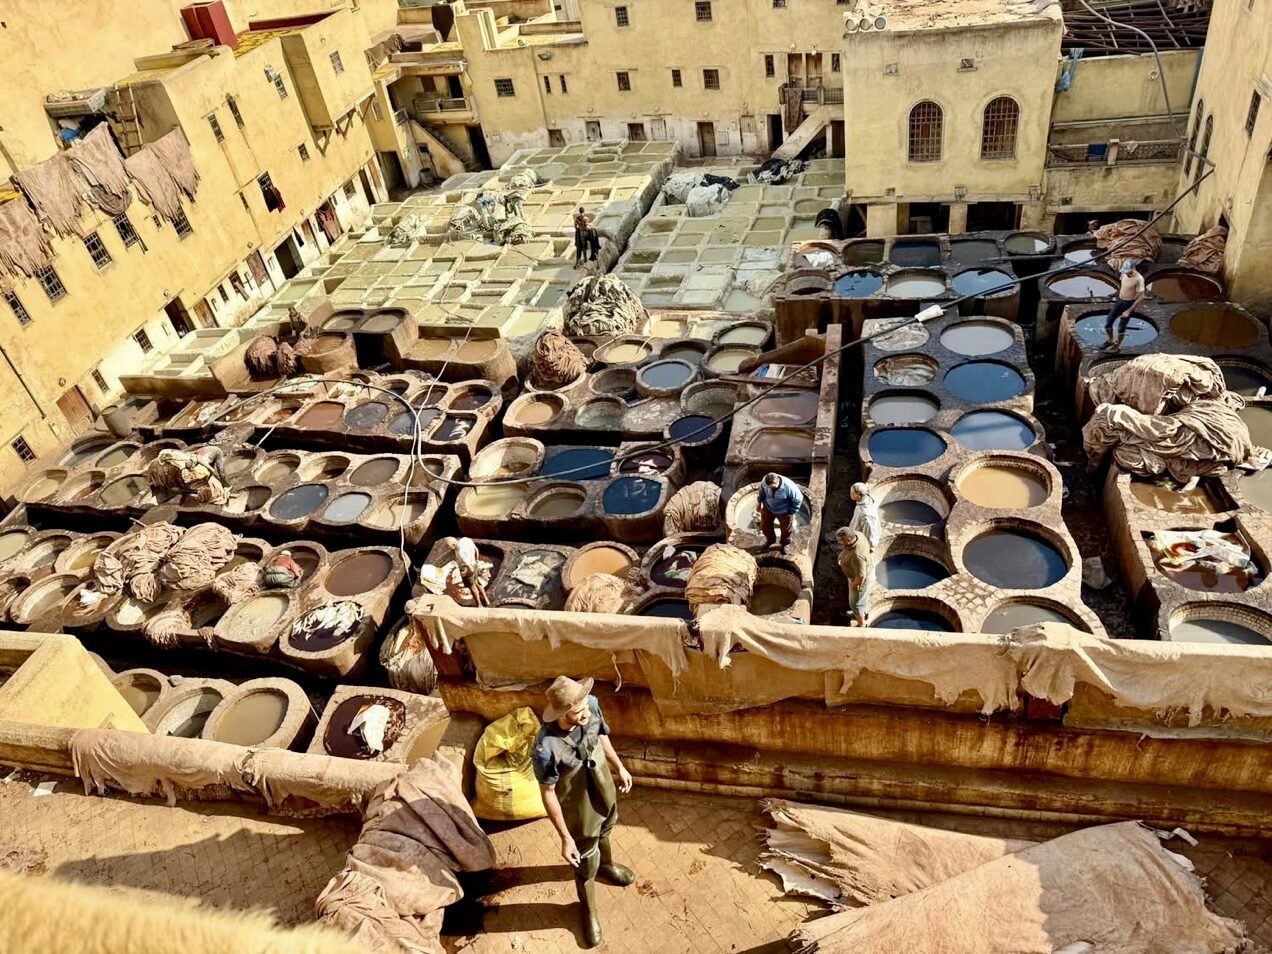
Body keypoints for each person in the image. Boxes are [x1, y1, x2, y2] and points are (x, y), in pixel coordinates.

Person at [533, 676, 635, 948]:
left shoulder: (590, 705)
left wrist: (619, 768)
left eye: (585, 708)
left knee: (607, 828)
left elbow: (601, 736)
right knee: (585, 856)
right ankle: (588, 909)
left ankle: (608, 866)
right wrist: (565, 837)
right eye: (578, 713)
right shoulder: (545, 747)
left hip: (602, 784)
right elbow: (548, 793)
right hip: (576, 801)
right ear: (562, 714)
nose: (586, 713)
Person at [1100, 260, 1146, 352]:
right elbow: (1123, 285)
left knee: (1121, 326)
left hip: (1128, 303)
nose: (1126, 272)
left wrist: (1128, 311)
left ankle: (1118, 345)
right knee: (1109, 321)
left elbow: (1141, 297)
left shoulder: (1139, 279)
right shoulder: (1124, 274)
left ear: (1133, 268)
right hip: (1120, 301)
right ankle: (1110, 340)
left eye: (1128, 270)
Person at [756, 472, 804, 552]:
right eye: (769, 487)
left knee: (786, 529)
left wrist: (791, 511)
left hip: (784, 511)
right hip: (768, 508)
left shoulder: (788, 487)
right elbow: (761, 492)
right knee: (765, 526)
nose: (770, 488)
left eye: (772, 486)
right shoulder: (765, 481)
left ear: (777, 481)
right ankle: (770, 541)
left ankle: (785, 544)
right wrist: (759, 503)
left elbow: (798, 499)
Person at [836, 527, 873, 626]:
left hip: (859, 579)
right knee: (859, 601)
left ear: (848, 540)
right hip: (856, 573)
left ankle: (861, 624)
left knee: (855, 604)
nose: (839, 543)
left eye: (840, 541)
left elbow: (861, 576)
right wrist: (842, 555)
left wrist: (853, 586)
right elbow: (848, 549)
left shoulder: (857, 556)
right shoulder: (857, 535)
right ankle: (861, 612)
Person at [445, 535, 488, 607]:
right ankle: (487, 600)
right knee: (478, 582)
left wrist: (466, 573)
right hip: (475, 564)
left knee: (472, 587)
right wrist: (476, 561)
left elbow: (468, 565)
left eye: (448, 546)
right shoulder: (465, 539)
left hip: (468, 569)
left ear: (453, 544)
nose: (448, 548)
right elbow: (476, 550)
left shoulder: (460, 552)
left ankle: (479, 604)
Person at [847, 482, 880, 549]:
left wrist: (868, 548)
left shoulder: (866, 516)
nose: (850, 494)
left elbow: (870, 535)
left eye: (852, 493)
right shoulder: (867, 499)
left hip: (858, 540)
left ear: (859, 496)